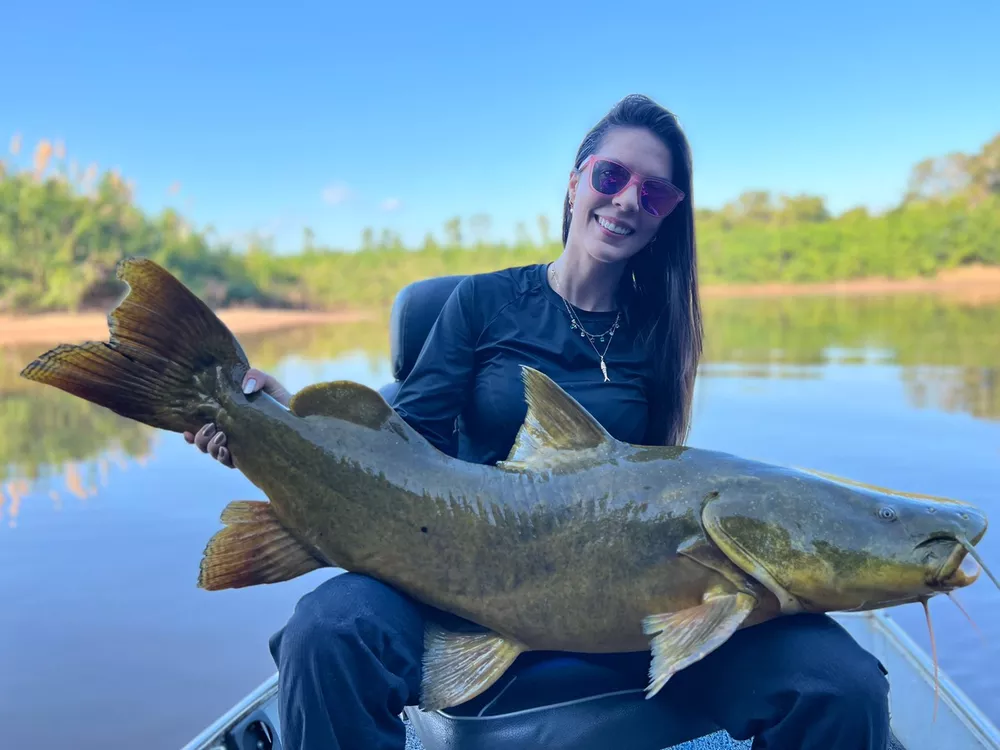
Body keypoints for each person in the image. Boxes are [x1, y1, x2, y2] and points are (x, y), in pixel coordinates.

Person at [184, 94, 891, 750]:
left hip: (619, 589)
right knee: (326, 630)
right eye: (612, 176)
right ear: (576, 181)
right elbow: (409, 441)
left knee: (842, 685)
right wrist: (278, 424)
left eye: (655, 191)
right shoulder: (480, 303)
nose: (627, 202)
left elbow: (655, 481)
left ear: (668, 213)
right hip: (453, 570)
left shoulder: (660, 332)